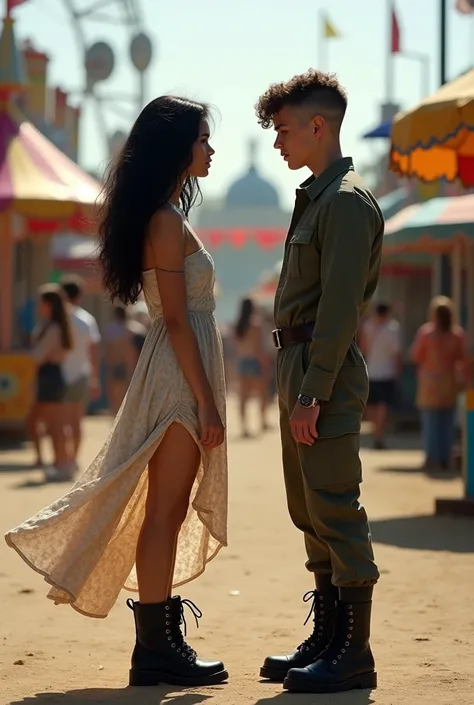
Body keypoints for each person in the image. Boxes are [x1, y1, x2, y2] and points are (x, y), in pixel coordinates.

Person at [5, 96, 228, 688]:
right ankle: (155, 646)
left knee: (168, 510)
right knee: (164, 511)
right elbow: (177, 320)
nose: (210, 149)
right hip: (180, 375)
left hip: (177, 367)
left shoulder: (162, 218)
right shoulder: (165, 221)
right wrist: (205, 399)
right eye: (203, 138)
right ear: (176, 147)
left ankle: (156, 644)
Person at [255, 69, 383, 694]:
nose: (277, 142)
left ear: (318, 126)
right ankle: (329, 635)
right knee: (308, 510)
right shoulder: (317, 197)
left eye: (283, 130)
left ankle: (353, 652)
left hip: (318, 368)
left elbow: (338, 309)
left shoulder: (347, 202)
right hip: (296, 365)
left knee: (335, 506)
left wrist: (314, 391)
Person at [411, 296, 468, 474]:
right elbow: (462, 358)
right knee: (447, 423)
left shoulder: (426, 333)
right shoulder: (456, 334)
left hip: (429, 383)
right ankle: (444, 458)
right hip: (448, 382)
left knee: (430, 422)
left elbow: (416, 355)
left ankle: (432, 458)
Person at [28, 284, 74, 482]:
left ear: (48, 305)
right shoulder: (51, 325)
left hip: (50, 375)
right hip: (49, 375)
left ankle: (61, 464)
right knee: (45, 422)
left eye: (41, 302)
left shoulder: (54, 328)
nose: (38, 306)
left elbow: (38, 355)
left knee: (54, 424)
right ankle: (60, 463)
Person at [60, 275, 101, 472]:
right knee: (77, 420)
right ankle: (73, 458)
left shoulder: (58, 320)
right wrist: (94, 378)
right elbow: (93, 352)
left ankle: (63, 458)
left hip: (60, 375)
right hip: (82, 374)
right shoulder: (87, 320)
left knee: (61, 421)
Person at [360, 303, 402, 449]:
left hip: (371, 370)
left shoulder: (367, 327)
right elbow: (396, 353)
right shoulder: (393, 328)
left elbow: (363, 348)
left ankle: (375, 432)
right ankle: (379, 433)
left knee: (371, 405)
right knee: (383, 405)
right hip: (387, 371)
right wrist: (398, 372)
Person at [234, 297, 269, 437]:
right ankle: (263, 422)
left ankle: (244, 427)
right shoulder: (255, 324)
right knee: (262, 394)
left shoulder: (238, 326)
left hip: (242, 362)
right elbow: (258, 348)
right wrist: (265, 364)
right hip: (255, 362)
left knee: (243, 396)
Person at [104, 305, 142, 414]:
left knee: (115, 393)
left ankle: (116, 414)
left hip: (117, 364)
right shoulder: (135, 328)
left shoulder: (111, 329)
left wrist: (109, 365)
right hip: (133, 365)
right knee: (128, 392)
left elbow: (109, 349)